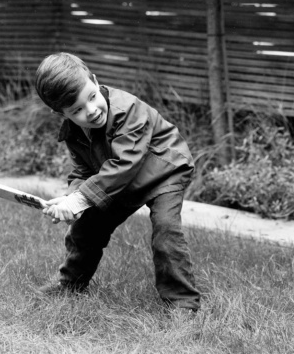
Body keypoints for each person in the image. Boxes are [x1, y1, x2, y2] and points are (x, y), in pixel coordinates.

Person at [34, 52, 200, 312]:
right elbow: (83, 170)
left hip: (165, 169)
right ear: (60, 113)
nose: (91, 111)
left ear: (95, 81)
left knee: (166, 231)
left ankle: (182, 303)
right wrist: (71, 199)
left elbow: (124, 164)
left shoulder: (127, 110)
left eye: (92, 97)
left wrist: (81, 198)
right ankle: (71, 284)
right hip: (122, 181)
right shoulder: (72, 132)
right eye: (77, 110)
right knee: (86, 226)